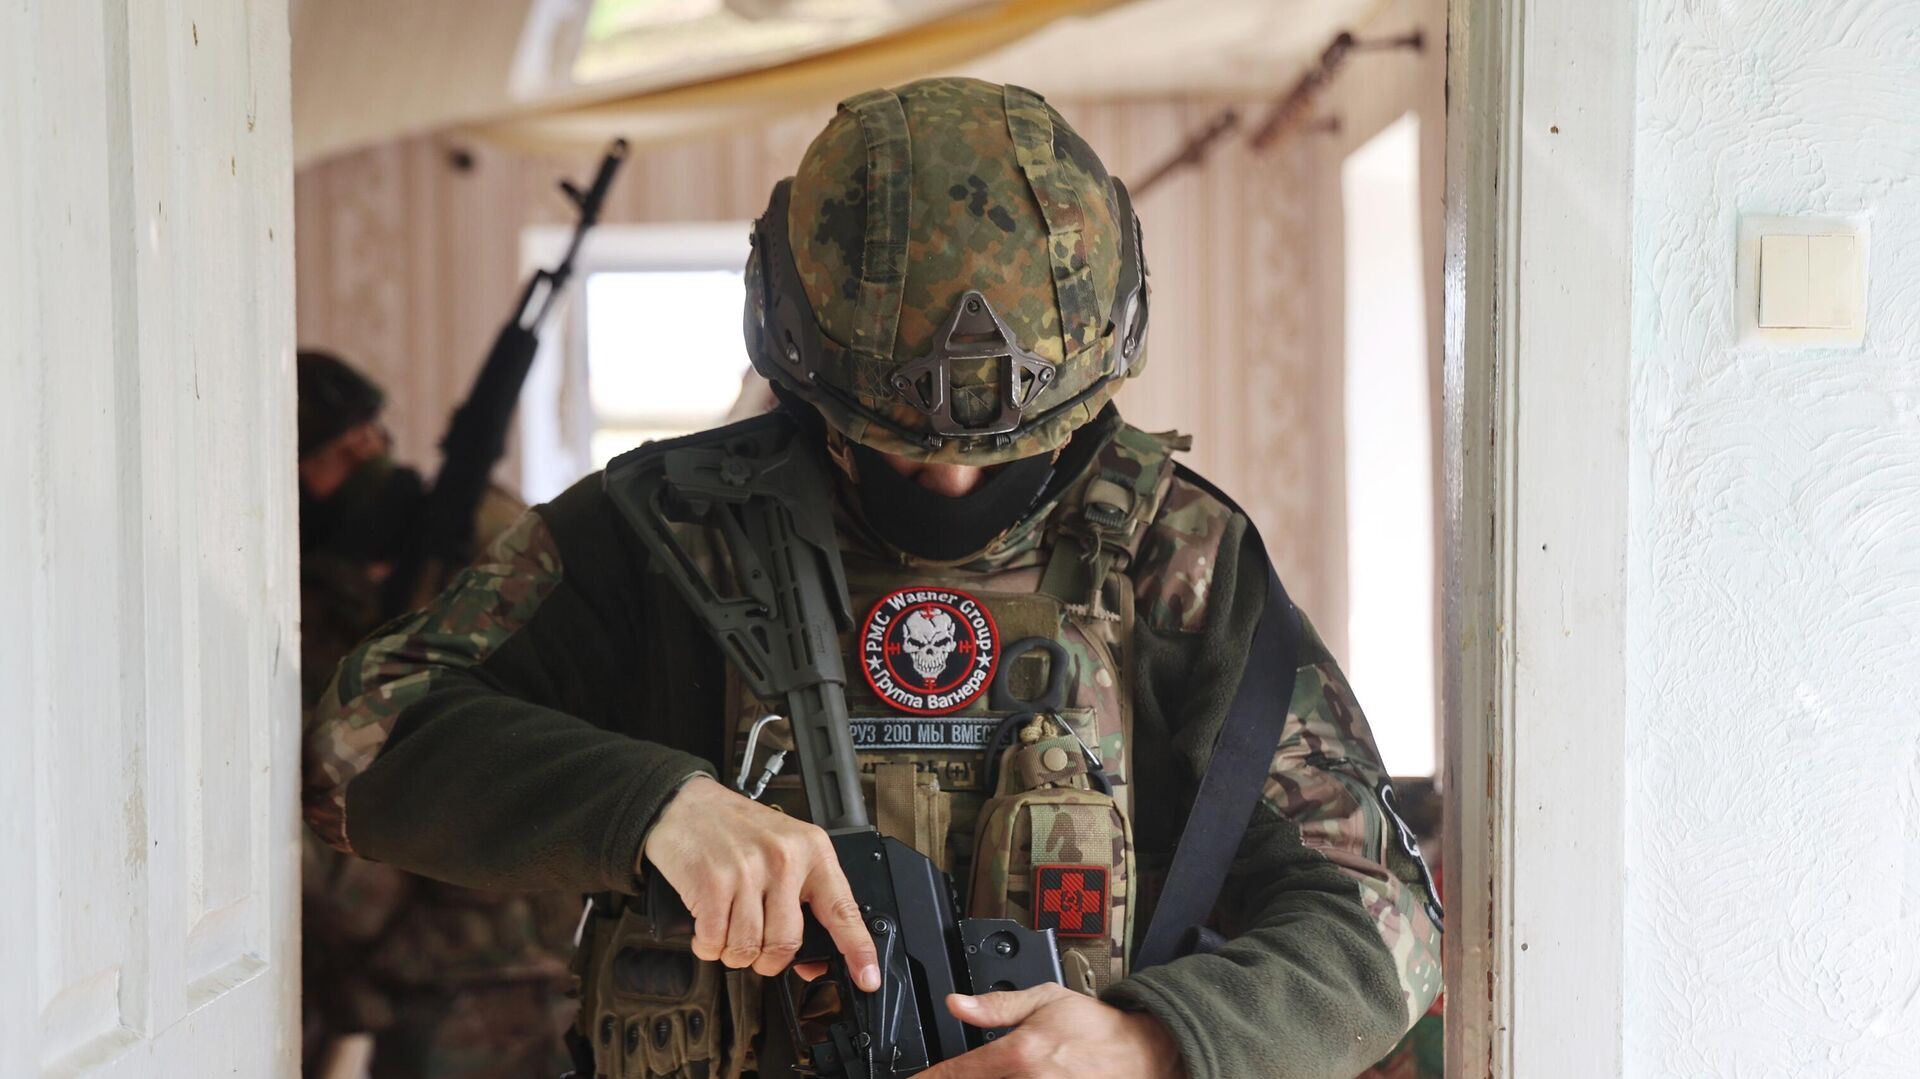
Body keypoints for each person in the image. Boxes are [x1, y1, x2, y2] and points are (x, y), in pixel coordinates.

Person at [304, 78, 1442, 1079]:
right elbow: (355, 744)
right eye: (895, 441)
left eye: (1011, 451)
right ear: (800, 367)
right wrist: (651, 805)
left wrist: (1154, 1040)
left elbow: (1379, 914)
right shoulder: (661, 531)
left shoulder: (1175, 553)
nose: (952, 481)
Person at [297, 351, 580, 1078]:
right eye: (334, 453)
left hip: (524, 945)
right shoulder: (314, 594)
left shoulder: (482, 535)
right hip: (433, 967)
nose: (365, 458)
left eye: (370, 435)